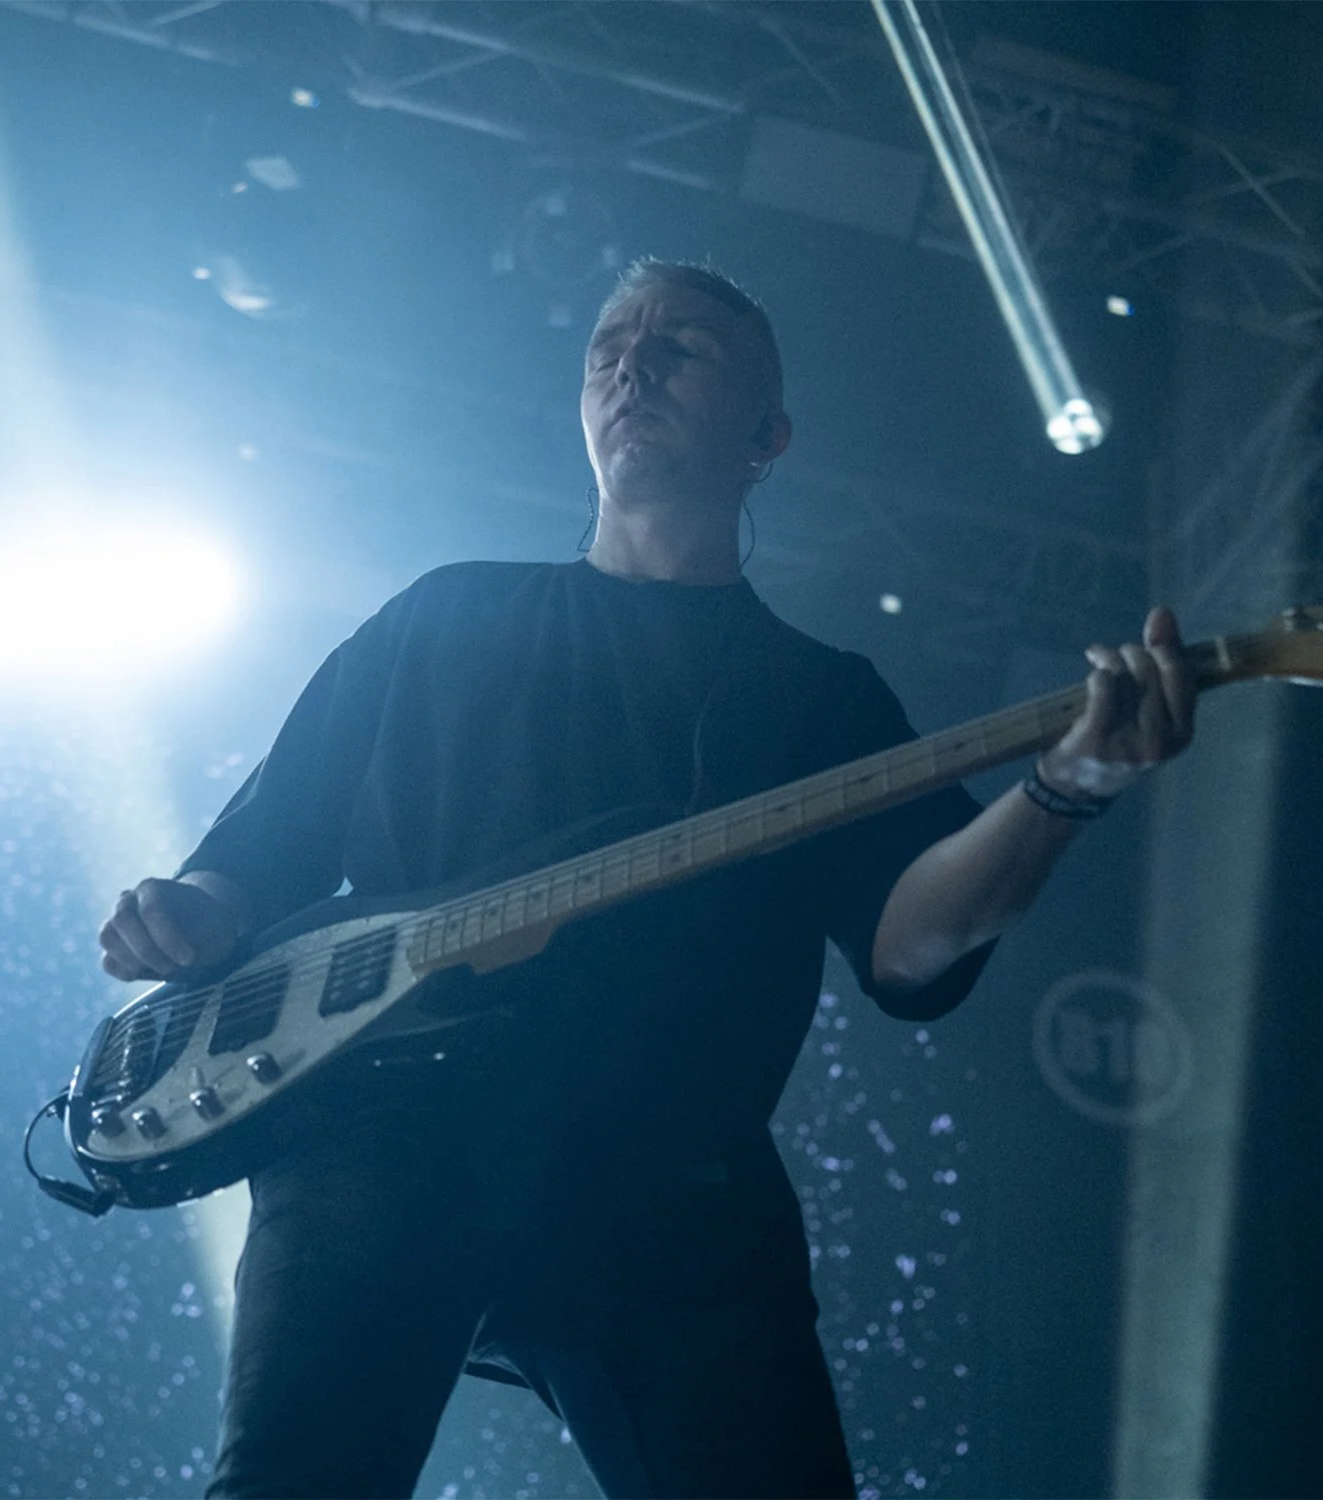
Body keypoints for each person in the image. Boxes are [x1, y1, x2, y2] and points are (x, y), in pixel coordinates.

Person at [98, 259, 1197, 1499]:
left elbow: (906, 945)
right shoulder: (445, 614)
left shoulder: (820, 696)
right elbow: (266, 842)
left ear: (765, 437)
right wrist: (187, 911)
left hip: (672, 1184)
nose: (631, 366)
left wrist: (1067, 790)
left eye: (680, 348)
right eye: (609, 349)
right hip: (383, 1138)